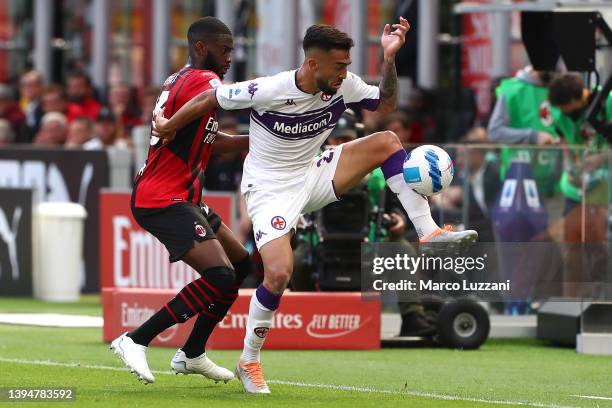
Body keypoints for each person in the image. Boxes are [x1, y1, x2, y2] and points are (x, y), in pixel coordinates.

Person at [153, 20, 478, 394]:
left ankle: (429, 232)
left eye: (347, 65)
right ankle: (250, 359)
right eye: (339, 66)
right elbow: (210, 98)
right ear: (312, 65)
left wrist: (389, 57)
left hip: (313, 173)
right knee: (277, 275)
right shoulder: (270, 88)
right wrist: (169, 126)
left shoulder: (344, 84)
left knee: (387, 140)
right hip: (270, 189)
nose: (345, 73)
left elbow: (385, 103)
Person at [109, 17, 250, 386]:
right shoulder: (205, 81)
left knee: (240, 264)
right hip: (163, 198)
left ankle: (191, 353)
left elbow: (207, 138)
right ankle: (135, 338)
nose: (230, 57)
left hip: (183, 196)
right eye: (225, 49)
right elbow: (220, 100)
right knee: (219, 274)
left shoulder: (179, 79)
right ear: (201, 48)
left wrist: (255, 141)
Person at [547, 73, 610, 296]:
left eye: (568, 107)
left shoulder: (608, 101)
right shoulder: (557, 111)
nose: (565, 113)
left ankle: (602, 299)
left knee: (600, 245)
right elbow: (562, 137)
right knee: (572, 246)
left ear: (579, 98)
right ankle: (570, 302)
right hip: (576, 187)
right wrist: (570, 163)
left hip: (606, 187)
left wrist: (600, 159)